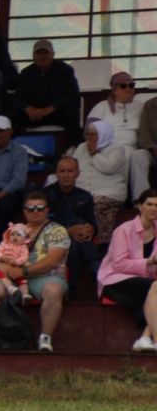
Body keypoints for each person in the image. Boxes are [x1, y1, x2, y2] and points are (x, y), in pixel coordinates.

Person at [0, 191, 68, 353]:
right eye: (31, 209)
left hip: (46, 277)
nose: (35, 212)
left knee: (53, 291)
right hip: (14, 278)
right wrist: (1, 265)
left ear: (47, 210)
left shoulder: (57, 230)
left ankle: (45, 338)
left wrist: (24, 271)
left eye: (40, 208)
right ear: (24, 211)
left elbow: (52, 260)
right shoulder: (16, 230)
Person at [98, 190, 157, 352]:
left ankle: (145, 337)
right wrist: (150, 262)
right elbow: (119, 265)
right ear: (140, 206)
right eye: (149, 204)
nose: (153, 208)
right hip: (115, 279)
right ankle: (152, 339)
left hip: (147, 281)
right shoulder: (124, 229)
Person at [88, 73, 152, 206]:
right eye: (123, 86)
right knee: (119, 155)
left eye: (131, 85)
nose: (128, 88)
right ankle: (117, 198)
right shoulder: (102, 106)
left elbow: (147, 129)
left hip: (132, 147)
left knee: (132, 155)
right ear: (114, 89)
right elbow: (90, 129)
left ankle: (139, 200)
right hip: (106, 147)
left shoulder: (140, 106)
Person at [44, 155, 101, 291]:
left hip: (78, 242)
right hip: (51, 241)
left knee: (76, 239)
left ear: (77, 174)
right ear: (56, 173)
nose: (66, 175)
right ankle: (96, 267)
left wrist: (90, 229)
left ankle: (73, 288)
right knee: (75, 232)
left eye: (70, 171)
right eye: (62, 171)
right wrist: (68, 231)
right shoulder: (46, 194)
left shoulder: (85, 196)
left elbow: (93, 223)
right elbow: (44, 225)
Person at [71, 118, 131, 241]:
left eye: (93, 134)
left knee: (96, 204)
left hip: (109, 192)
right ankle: (81, 239)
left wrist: (94, 153)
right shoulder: (82, 147)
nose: (89, 137)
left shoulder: (117, 149)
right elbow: (73, 165)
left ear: (103, 134)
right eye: (88, 134)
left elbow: (108, 167)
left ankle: (100, 241)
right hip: (84, 193)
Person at [17, 38, 82, 137]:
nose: (42, 56)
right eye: (38, 53)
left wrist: (50, 109)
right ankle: (14, 147)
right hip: (33, 115)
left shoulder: (65, 70)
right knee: (13, 115)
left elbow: (73, 96)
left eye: (46, 53)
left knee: (71, 112)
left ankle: (72, 147)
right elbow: (18, 97)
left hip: (56, 113)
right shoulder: (26, 73)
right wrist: (28, 109)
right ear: (33, 56)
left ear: (53, 54)